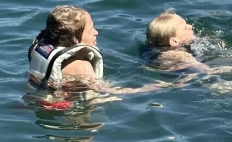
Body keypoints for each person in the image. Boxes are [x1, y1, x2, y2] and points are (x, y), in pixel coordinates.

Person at [28, 5, 170, 98]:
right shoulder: (81, 66)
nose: (96, 32)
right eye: (91, 30)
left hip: (37, 94)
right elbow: (107, 91)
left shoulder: (43, 49)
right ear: (76, 39)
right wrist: (148, 89)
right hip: (67, 110)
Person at [145, 9, 232, 75]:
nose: (190, 26)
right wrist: (225, 69)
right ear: (174, 41)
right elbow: (201, 68)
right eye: (185, 28)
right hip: (181, 75)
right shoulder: (174, 54)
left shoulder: (163, 50)